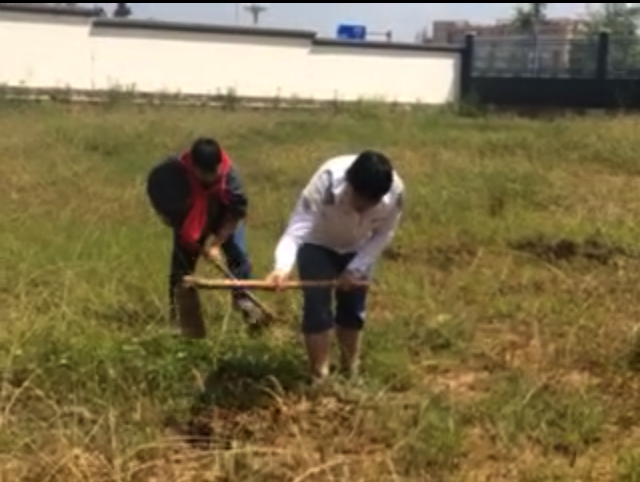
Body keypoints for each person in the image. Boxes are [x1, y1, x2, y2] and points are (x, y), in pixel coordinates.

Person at [265, 150, 404, 384]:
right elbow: (297, 230)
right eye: (358, 200)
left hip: (358, 247)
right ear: (349, 184)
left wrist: (355, 269)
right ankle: (320, 375)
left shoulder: (396, 193)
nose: (362, 209)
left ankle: (350, 369)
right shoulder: (326, 182)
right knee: (317, 309)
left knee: (353, 309)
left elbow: (383, 234)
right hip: (317, 243)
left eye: (370, 204)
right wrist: (282, 268)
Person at [146, 136, 263, 338]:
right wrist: (180, 227)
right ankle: (183, 323)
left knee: (239, 257)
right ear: (194, 167)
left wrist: (216, 244)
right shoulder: (174, 173)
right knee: (181, 269)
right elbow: (164, 203)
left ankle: (246, 306)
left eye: (213, 172)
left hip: (224, 217)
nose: (209, 177)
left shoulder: (231, 179)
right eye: (204, 173)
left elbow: (235, 215)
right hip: (190, 219)